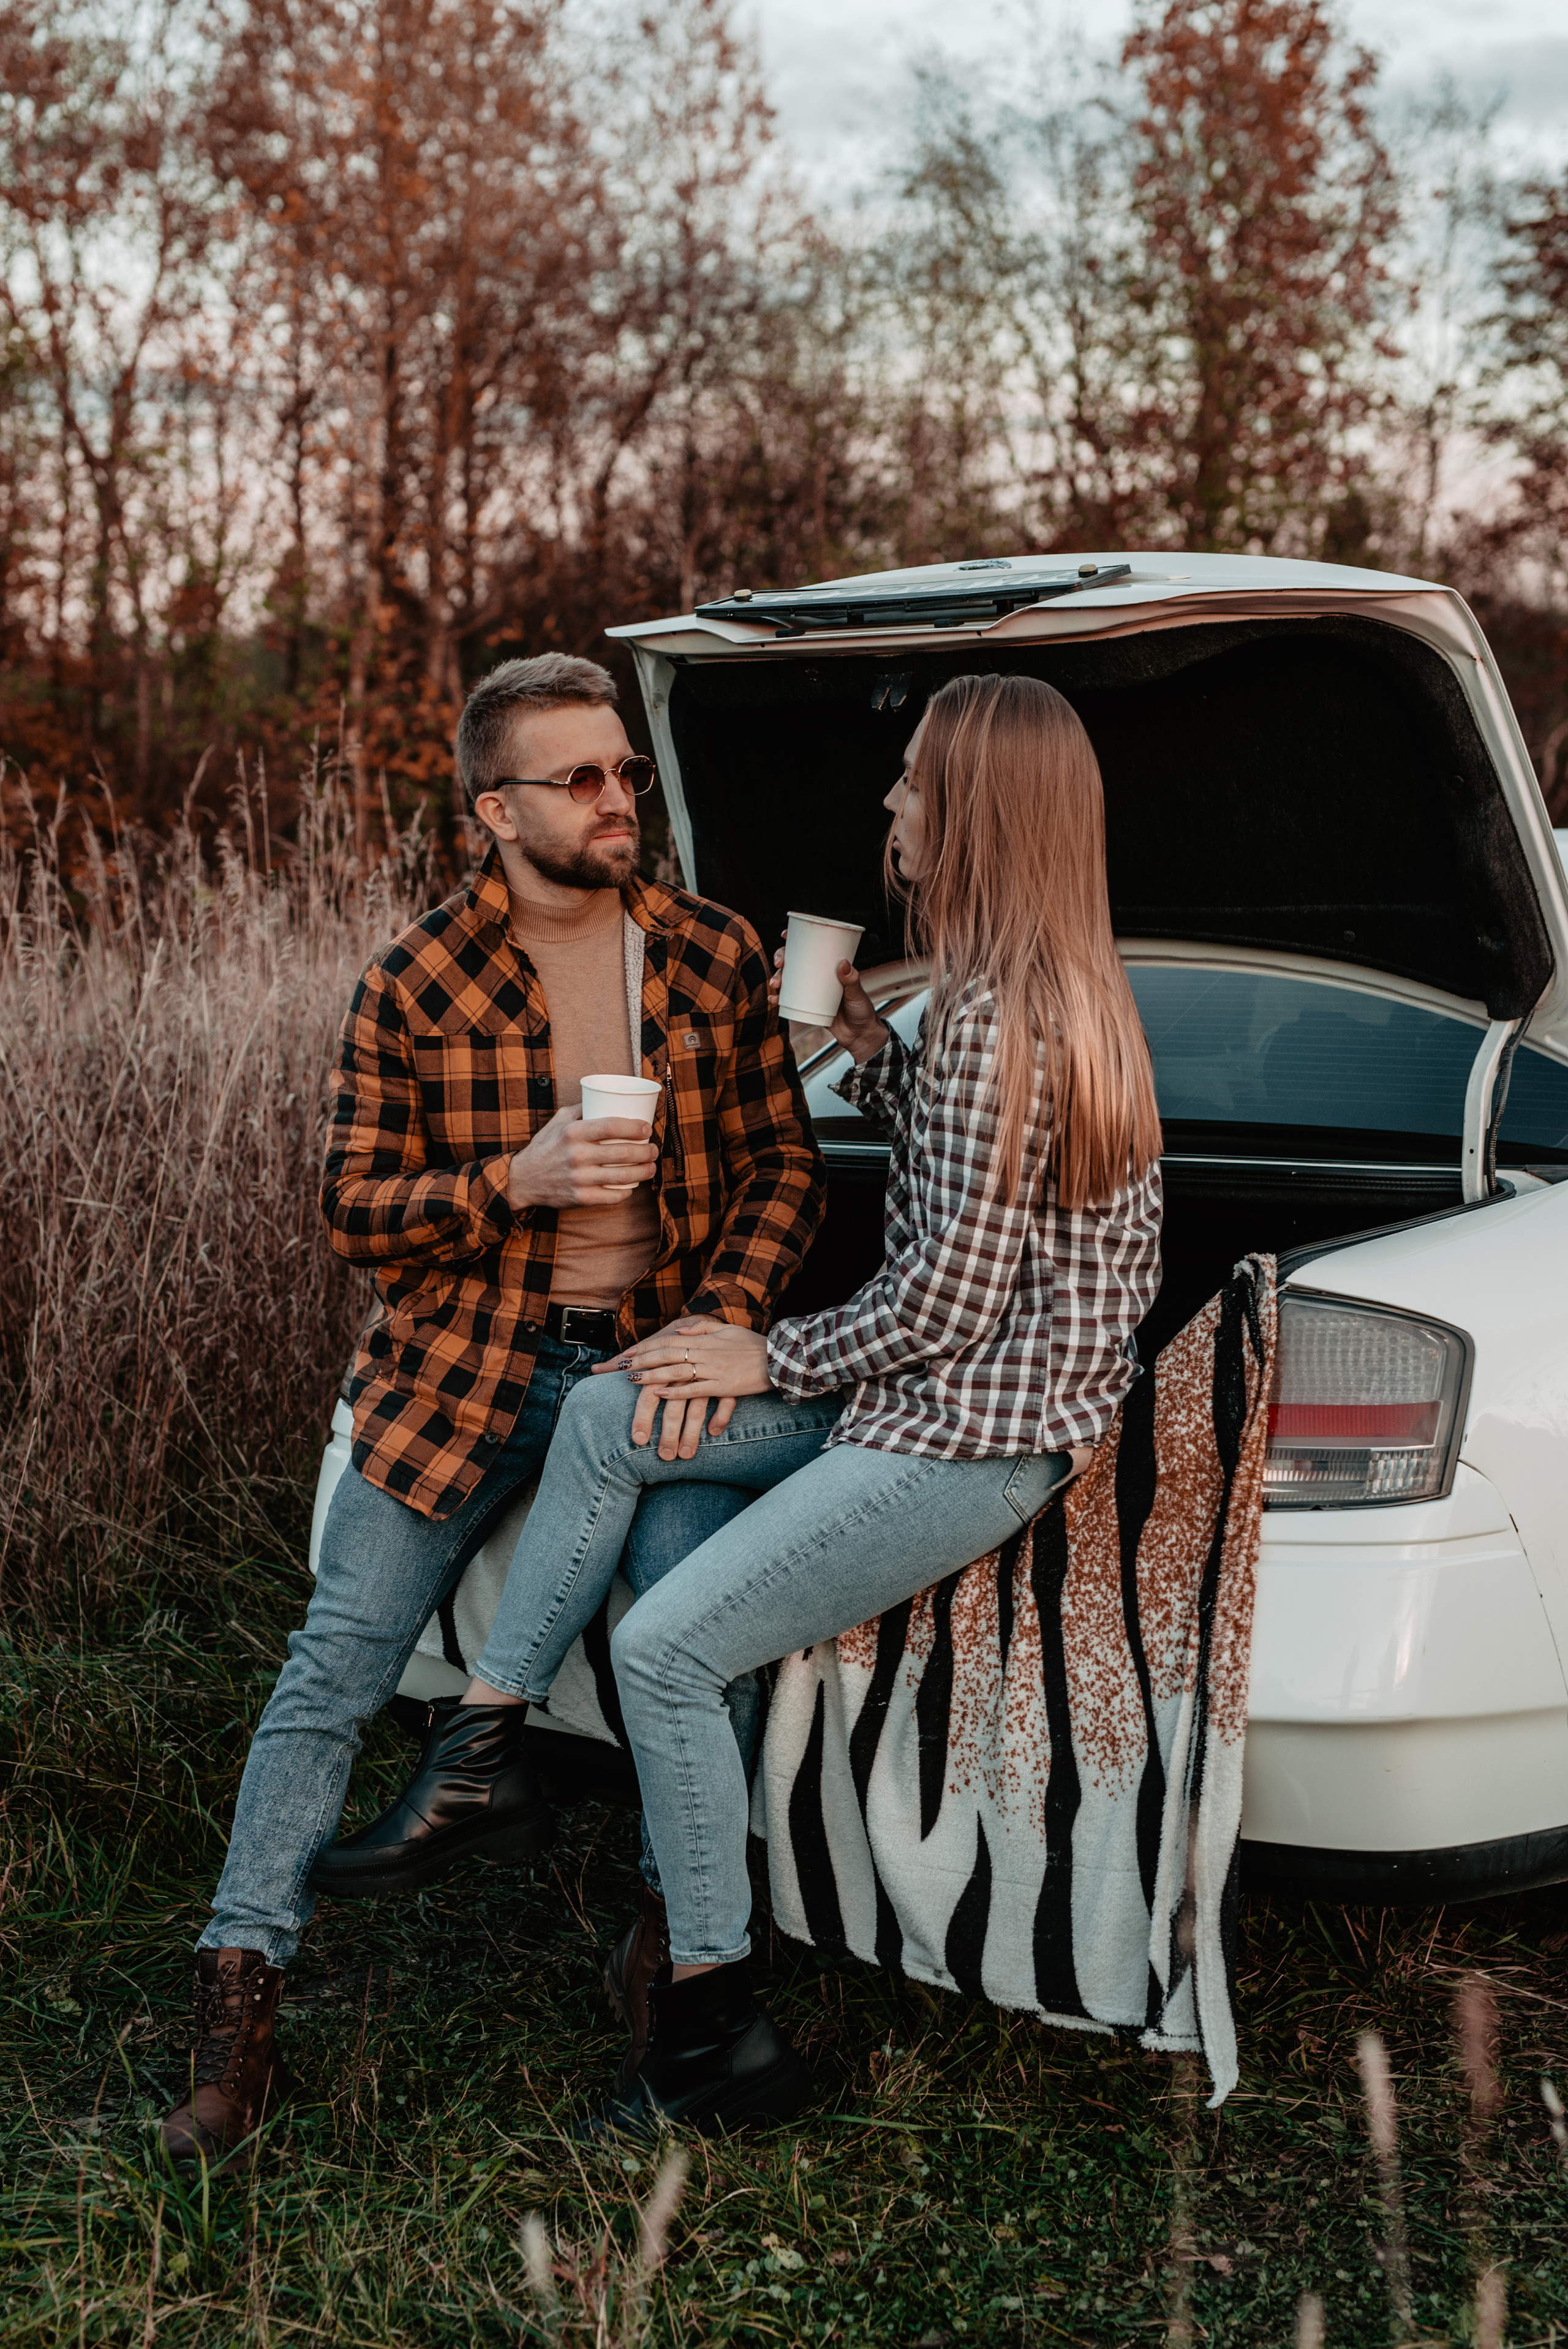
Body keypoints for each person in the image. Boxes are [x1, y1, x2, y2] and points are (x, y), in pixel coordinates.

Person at [459, 669, 1166, 2136]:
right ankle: (482, 1745)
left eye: (911, 778)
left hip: (971, 1435)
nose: (890, 801)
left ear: (972, 809)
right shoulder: (1024, 992)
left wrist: (758, 1352)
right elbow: (976, 1192)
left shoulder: (1002, 1021)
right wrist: (861, 1043)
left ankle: (714, 2041)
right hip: (937, 1399)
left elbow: (944, 1306)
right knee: (612, 1407)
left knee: (660, 1647)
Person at [160, 652, 825, 2165]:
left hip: (656, 1366)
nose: (615, 801)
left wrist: (725, 1316)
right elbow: (349, 1208)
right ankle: (240, 1988)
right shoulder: (414, 978)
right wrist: (505, 1184)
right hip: (463, 1367)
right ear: (494, 807)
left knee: (684, 1630)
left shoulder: (710, 953)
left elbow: (786, 1166)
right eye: (579, 779)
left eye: (623, 774)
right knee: (331, 1667)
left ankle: (675, 1959)